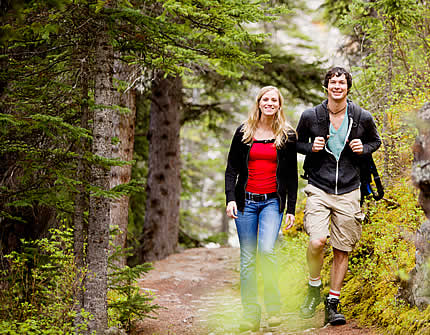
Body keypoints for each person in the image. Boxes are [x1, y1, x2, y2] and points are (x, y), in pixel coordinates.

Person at [296, 67, 381, 325]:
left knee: (342, 248)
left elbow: (376, 141)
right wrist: (311, 147)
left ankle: (333, 302)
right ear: (326, 87)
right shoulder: (311, 115)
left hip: (349, 189)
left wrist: (363, 148)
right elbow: (296, 143)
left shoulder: (361, 116)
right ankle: (313, 288)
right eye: (332, 82)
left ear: (347, 87)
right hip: (318, 187)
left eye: (341, 83)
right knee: (317, 241)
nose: (337, 86)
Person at [225, 86, 298, 332]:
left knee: (266, 251)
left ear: (279, 105)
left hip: (272, 202)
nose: (269, 103)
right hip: (246, 201)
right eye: (265, 99)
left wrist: (291, 209)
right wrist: (230, 198)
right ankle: (250, 315)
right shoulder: (244, 132)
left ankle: (274, 309)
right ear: (258, 103)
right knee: (247, 258)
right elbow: (232, 169)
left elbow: (291, 176)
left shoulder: (287, 135)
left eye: (273, 100)